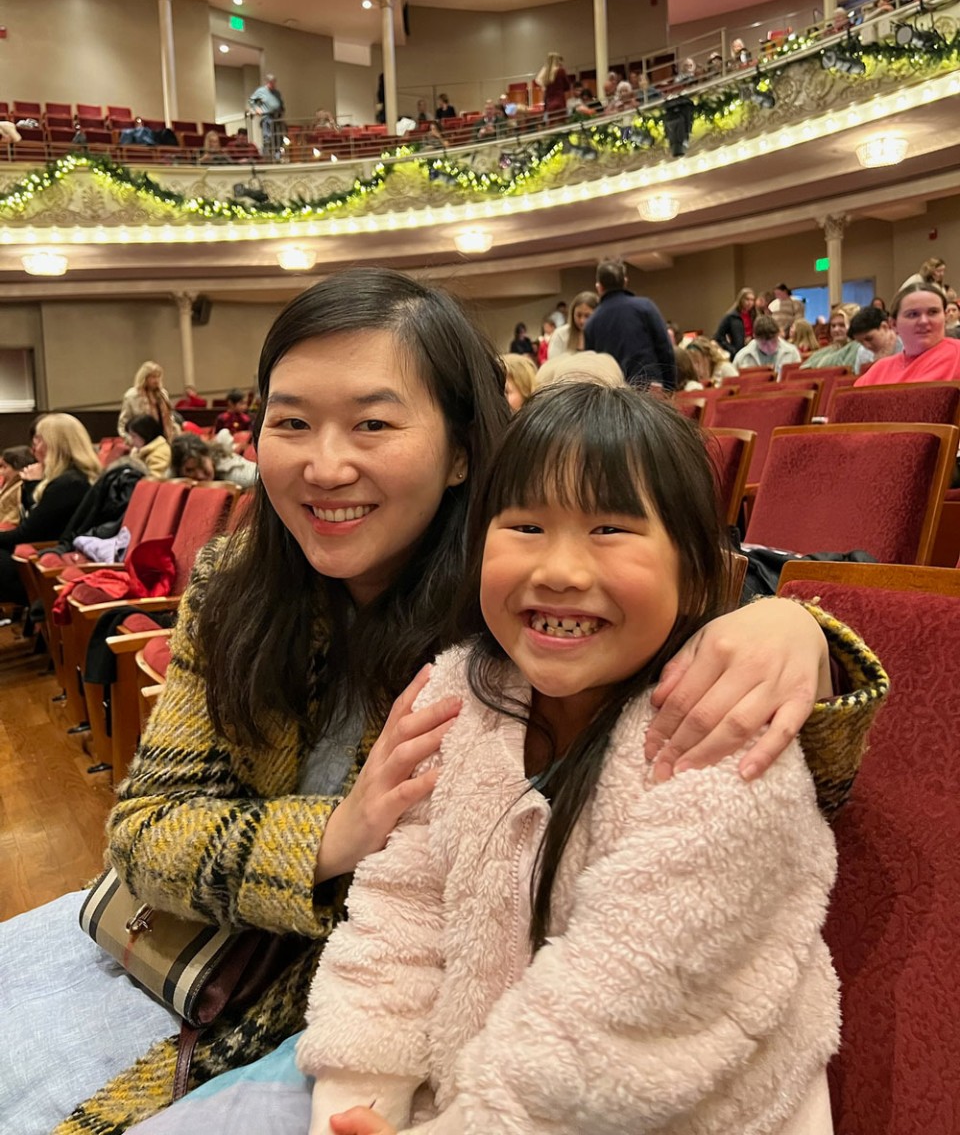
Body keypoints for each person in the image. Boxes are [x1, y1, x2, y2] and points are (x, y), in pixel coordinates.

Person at [1, 272, 884, 1135]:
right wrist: (335, 834)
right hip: (251, 955)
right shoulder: (235, 585)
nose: (326, 464)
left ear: (463, 447)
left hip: (350, 1006)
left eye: (374, 423)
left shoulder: (516, 594)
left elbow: (708, 617)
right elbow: (148, 824)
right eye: (291, 422)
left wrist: (794, 624)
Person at [296, 383, 844, 1135]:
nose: (558, 569)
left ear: (694, 565)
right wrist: (361, 1089)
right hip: (478, 1095)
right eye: (524, 524)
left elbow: (627, 1001)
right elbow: (403, 908)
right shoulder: (461, 692)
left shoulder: (718, 734)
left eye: (610, 529)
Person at [0, 414, 100, 604]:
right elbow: (32, 525)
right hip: (46, 552)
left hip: (48, 563)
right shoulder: (72, 478)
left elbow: (26, 534)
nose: (34, 448)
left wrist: (31, 486)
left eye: (38, 440)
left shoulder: (68, 484)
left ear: (54, 445)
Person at [583, 259, 677, 389]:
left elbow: (593, 367)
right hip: (649, 386)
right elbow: (664, 348)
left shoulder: (591, 323)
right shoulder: (645, 307)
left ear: (599, 287)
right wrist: (670, 386)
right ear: (625, 282)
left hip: (614, 393)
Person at [857, 281, 960, 385]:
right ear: (893, 324)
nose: (924, 321)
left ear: (945, 317)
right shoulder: (878, 372)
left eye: (933, 312)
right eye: (913, 314)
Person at [170, 431, 258, 489]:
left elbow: (262, 480)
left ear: (209, 456)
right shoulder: (174, 478)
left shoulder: (234, 471)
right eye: (190, 470)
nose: (200, 476)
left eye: (202, 464)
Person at [118, 361, 176, 441]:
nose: (156, 380)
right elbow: (123, 424)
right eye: (153, 377)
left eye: (158, 377)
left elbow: (169, 416)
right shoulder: (132, 396)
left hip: (163, 439)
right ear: (144, 378)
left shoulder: (162, 394)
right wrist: (131, 441)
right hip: (142, 441)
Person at [733, 314, 802, 376]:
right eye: (764, 343)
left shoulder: (792, 352)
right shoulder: (742, 357)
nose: (770, 347)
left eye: (774, 341)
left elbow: (797, 380)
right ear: (755, 337)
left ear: (778, 334)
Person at [848, 304, 904, 373]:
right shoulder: (862, 352)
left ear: (884, 327)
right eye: (861, 342)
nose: (867, 346)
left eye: (869, 339)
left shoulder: (906, 344)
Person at [803, 305, 862, 370]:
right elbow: (804, 368)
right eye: (833, 326)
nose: (836, 330)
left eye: (842, 325)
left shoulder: (859, 347)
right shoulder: (825, 351)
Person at [547, 290, 597, 358]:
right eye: (578, 315)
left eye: (587, 316)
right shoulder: (560, 334)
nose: (582, 321)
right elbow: (553, 363)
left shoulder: (604, 335)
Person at [249, 73, 286, 160]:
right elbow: (251, 100)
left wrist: (282, 110)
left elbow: (281, 104)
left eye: (274, 82)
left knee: (278, 138)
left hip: (277, 118)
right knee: (268, 138)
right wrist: (256, 108)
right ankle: (267, 157)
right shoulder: (261, 91)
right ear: (267, 82)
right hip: (267, 117)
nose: (273, 84)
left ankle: (278, 157)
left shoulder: (277, 92)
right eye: (271, 82)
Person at [125, 415, 172, 479]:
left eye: (134, 436)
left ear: (146, 434)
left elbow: (154, 481)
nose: (131, 441)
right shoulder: (138, 451)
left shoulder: (159, 454)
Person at [714, 288, 756, 355]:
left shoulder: (754, 316)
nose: (750, 303)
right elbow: (718, 337)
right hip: (738, 352)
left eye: (752, 300)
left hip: (752, 350)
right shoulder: (731, 316)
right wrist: (732, 350)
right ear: (741, 300)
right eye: (747, 299)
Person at [0, 445, 34, 528]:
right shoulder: (8, 483)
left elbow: (13, 518)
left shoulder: (21, 489)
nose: (1, 472)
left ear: (19, 468)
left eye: (4, 467)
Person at [536, 52, 572, 125]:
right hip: (559, 102)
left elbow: (538, 81)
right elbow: (567, 86)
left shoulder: (546, 73)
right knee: (561, 125)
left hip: (549, 103)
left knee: (552, 125)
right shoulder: (560, 71)